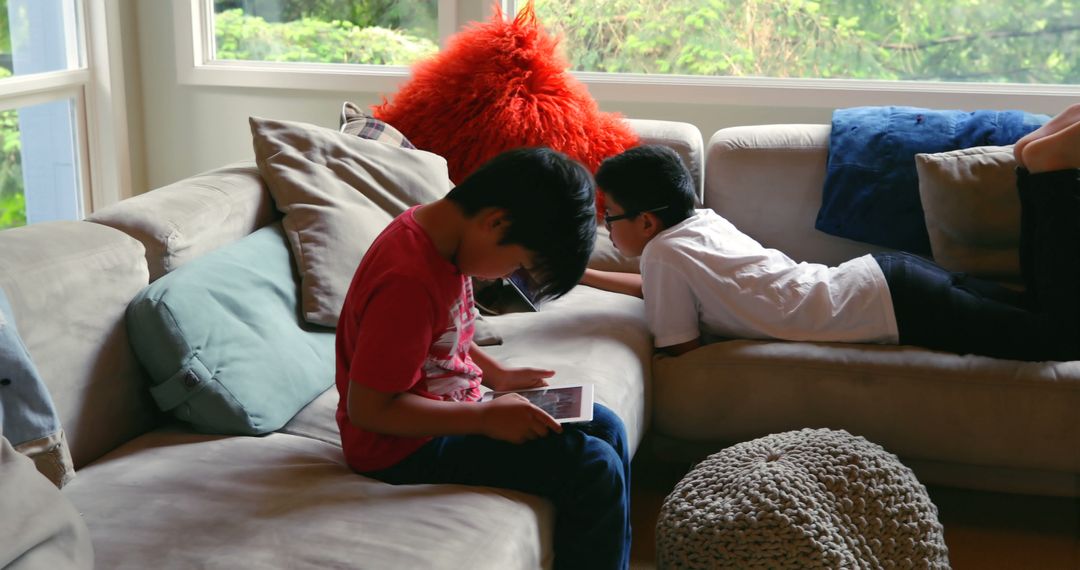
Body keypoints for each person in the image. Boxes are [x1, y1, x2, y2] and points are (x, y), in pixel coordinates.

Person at [583, 103, 1080, 363]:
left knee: (1058, 337)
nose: (609, 227)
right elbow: (659, 288)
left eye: (612, 217)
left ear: (647, 221)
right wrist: (585, 276)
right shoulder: (699, 225)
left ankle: (1047, 168)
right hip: (887, 281)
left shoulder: (662, 255)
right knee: (1039, 310)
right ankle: (1032, 162)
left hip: (891, 303)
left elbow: (680, 347)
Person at [336, 147, 631, 570]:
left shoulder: (442, 241)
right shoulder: (406, 280)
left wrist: (497, 375)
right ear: (495, 222)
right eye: (517, 264)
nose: (505, 276)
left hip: (456, 409)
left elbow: (441, 332)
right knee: (592, 466)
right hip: (401, 447)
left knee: (606, 425)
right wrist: (484, 419)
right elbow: (369, 410)